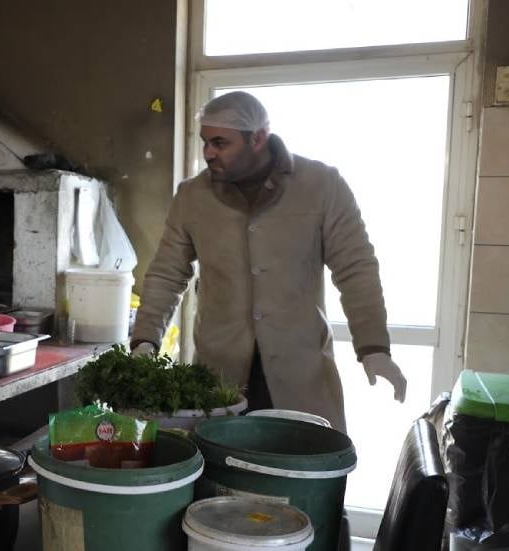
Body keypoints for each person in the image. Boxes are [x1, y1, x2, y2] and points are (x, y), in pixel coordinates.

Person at [129, 91, 405, 432]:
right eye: (205, 142)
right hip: (219, 375)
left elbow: (356, 268)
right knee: (221, 459)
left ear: (258, 138)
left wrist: (374, 346)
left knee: (300, 456)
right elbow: (167, 274)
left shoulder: (321, 186)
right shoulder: (192, 196)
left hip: (301, 374)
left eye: (220, 143)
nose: (208, 153)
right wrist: (145, 340)